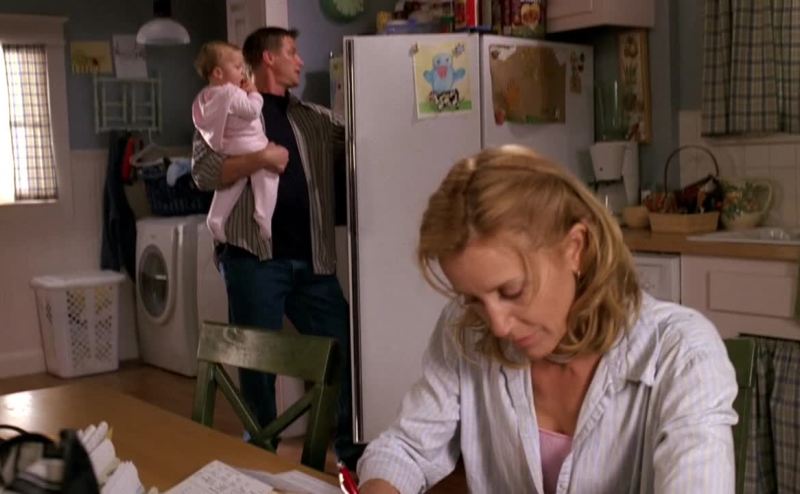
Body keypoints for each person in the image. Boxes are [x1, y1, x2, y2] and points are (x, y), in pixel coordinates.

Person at [357, 146, 738, 493]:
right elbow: (405, 450)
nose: (497, 325)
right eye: (473, 299)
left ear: (575, 248)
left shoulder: (683, 354)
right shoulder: (467, 329)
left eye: (512, 291)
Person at [191, 27, 362, 468]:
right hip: (253, 260)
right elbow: (204, 173)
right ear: (268, 58)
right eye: (292, 52)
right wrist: (262, 158)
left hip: (314, 262)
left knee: (344, 350)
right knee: (257, 366)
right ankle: (261, 455)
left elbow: (363, 137)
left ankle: (351, 456)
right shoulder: (227, 106)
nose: (300, 61)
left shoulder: (314, 118)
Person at [192, 41, 277, 243]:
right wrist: (254, 93)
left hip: (229, 146)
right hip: (249, 144)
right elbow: (252, 111)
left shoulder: (204, 97)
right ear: (218, 73)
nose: (242, 72)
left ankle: (216, 217)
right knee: (268, 171)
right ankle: (263, 214)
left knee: (234, 181)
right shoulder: (231, 93)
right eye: (238, 67)